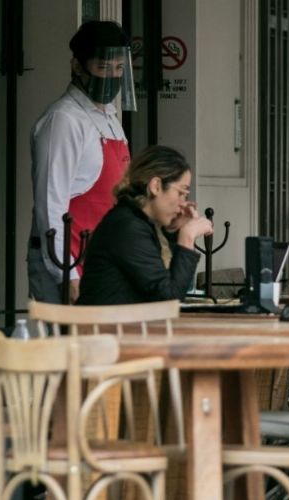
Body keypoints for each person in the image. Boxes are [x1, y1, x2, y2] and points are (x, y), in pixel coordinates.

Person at [27, 20, 137, 304]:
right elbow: (51, 202)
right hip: (68, 262)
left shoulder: (111, 120)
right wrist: (67, 274)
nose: (111, 76)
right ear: (77, 66)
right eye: (102, 67)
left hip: (103, 262)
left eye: (118, 69)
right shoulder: (63, 120)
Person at [76, 145, 213, 305]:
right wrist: (187, 238)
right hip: (102, 329)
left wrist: (174, 232)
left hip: (116, 327)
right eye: (181, 192)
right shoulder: (128, 228)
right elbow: (168, 299)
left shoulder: (133, 220)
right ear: (156, 186)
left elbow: (168, 287)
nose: (183, 203)